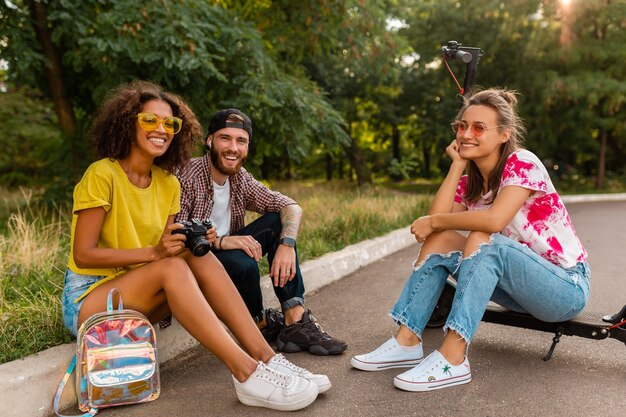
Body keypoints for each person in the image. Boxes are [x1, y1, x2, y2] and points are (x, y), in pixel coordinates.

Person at [61, 81, 331, 412]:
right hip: (90, 301)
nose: (161, 129)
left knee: (190, 253)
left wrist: (175, 249)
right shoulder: (102, 174)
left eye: (169, 124)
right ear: (128, 122)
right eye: (150, 120)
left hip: (140, 293)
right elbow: (83, 254)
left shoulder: (168, 183)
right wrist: (156, 254)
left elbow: (168, 249)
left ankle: (268, 359)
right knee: (173, 263)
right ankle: (245, 373)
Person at [351, 88, 590, 392]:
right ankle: (406, 340)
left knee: (482, 236)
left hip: (564, 288)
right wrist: (457, 165)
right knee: (441, 239)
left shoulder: (523, 163)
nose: (466, 134)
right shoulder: (474, 182)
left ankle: (453, 358)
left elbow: (492, 221)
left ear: (504, 134)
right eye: (461, 126)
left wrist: (435, 221)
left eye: (479, 128)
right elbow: (435, 220)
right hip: (519, 290)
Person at [176, 108, 347, 356]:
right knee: (243, 262)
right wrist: (223, 242)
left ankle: (294, 320)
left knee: (279, 222)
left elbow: (290, 205)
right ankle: (260, 322)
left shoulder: (240, 179)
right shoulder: (187, 175)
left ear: (247, 147)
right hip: (196, 263)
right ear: (210, 140)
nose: (233, 148)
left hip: (230, 257)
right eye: (225, 138)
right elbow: (178, 237)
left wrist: (286, 244)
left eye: (241, 141)